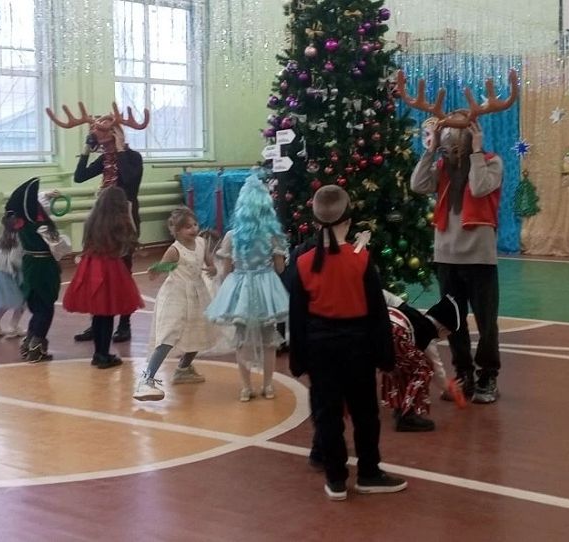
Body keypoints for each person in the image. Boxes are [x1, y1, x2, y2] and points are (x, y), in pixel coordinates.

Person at [289, 185, 406, 501]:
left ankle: (336, 479)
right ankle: (368, 473)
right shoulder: (362, 260)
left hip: (320, 351)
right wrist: (385, 357)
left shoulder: (302, 263)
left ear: (315, 223)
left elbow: (297, 317)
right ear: (349, 222)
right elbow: (377, 314)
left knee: (327, 416)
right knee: (365, 414)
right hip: (358, 349)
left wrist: (299, 359)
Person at [410, 113, 503, 404]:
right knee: (453, 321)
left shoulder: (491, 162)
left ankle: (488, 375)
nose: (450, 149)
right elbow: (418, 184)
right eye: (446, 142)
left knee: (486, 322)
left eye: (455, 141)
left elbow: (479, 187)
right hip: (447, 257)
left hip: (479, 258)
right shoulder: (441, 168)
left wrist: (475, 152)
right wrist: (430, 150)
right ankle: (464, 374)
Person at [205, 173, 289, 402]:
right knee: (269, 339)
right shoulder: (272, 236)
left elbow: (226, 271)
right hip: (267, 289)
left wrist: (227, 289)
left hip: (241, 288)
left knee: (241, 339)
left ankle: (246, 387)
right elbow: (280, 268)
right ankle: (268, 386)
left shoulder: (232, 236)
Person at [133, 208, 216, 401]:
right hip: (176, 296)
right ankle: (146, 380)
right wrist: (155, 270)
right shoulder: (174, 250)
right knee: (168, 335)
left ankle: (183, 369)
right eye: (187, 227)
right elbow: (163, 267)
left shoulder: (201, 243)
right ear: (177, 231)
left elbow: (209, 263)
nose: (193, 229)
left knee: (198, 331)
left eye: (195, 224)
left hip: (197, 294)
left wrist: (212, 269)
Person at [72, 124, 144, 344]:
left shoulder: (132, 157)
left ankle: (124, 324)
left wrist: (120, 149)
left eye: (106, 143)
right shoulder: (105, 159)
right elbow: (79, 176)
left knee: (123, 272)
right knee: (99, 272)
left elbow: (130, 180)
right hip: (102, 221)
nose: (103, 148)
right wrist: (86, 149)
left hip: (125, 220)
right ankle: (98, 323)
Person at [63, 186, 143, 369]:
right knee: (107, 314)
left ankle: (98, 353)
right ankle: (103, 355)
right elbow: (131, 242)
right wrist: (130, 212)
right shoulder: (119, 223)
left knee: (98, 313)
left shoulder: (92, 221)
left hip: (91, 265)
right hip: (110, 268)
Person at [5, 178, 70, 363]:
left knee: (36, 307)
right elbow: (59, 248)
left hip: (29, 265)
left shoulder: (20, 224)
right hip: (44, 268)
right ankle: (36, 347)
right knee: (45, 307)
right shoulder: (41, 227)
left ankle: (29, 342)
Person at [381, 291, 463, 431]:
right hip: (396, 334)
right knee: (423, 369)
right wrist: (448, 387)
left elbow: (385, 295)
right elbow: (436, 367)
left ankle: (399, 405)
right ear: (443, 329)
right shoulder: (428, 335)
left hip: (380, 329)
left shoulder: (412, 314)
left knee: (401, 366)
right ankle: (407, 416)